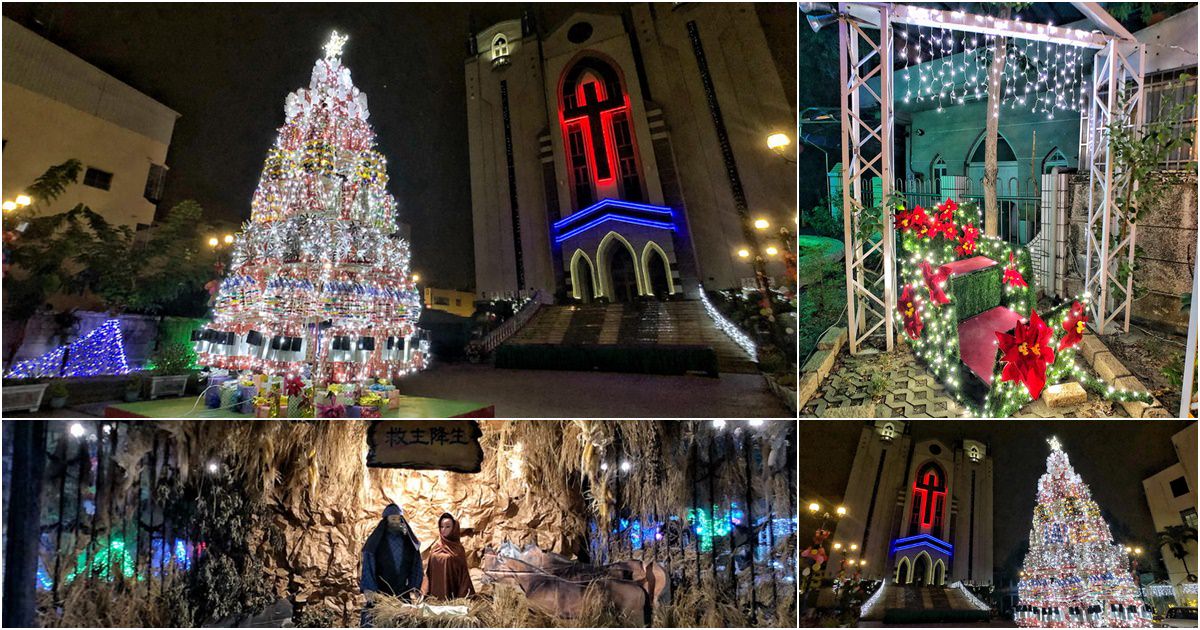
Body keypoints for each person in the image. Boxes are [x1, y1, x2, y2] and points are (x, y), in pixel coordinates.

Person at [360, 504, 422, 626]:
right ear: (386, 520)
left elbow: (416, 565)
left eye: (398, 519)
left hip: (402, 594)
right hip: (381, 595)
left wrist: (415, 586)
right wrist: (369, 589)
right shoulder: (377, 542)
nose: (396, 522)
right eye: (392, 519)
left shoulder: (408, 543)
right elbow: (368, 563)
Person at [422, 512, 475, 600]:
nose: (443, 530)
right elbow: (429, 574)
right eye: (441, 527)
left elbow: (463, 575)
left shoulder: (458, 550)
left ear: (454, 528)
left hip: (452, 596)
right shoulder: (436, 548)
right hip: (434, 598)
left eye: (447, 527)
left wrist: (463, 597)